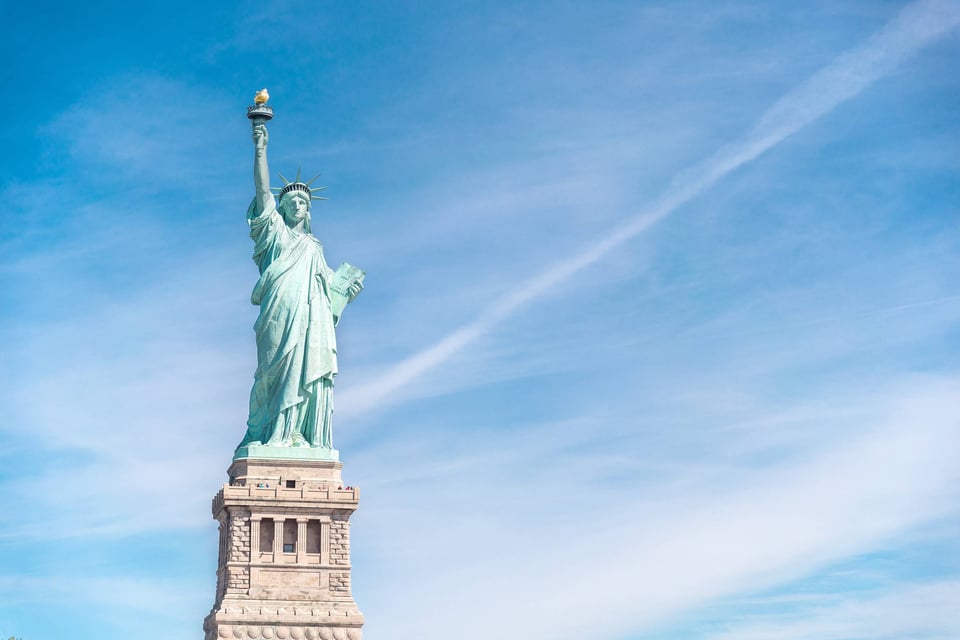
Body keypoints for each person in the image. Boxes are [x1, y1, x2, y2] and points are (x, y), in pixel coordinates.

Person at [236, 121, 362, 453]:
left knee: (307, 373)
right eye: (290, 201)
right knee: (270, 375)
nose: (297, 205)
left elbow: (330, 293)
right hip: (279, 316)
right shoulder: (274, 234)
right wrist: (260, 147)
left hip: (310, 323)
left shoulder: (314, 248)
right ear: (282, 207)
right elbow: (263, 192)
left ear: (308, 210)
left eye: (303, 202)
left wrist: (346, 289)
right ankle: (267, 433)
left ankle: (296, 434)